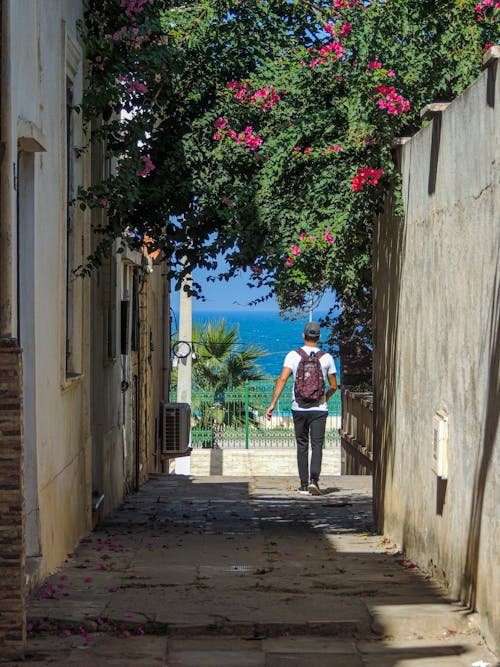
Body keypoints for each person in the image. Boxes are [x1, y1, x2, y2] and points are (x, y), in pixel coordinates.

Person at [265, 321, 337, 495]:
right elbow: (334, 386)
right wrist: (323, 398)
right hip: (319, 409)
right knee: (317, 445)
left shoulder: (293, 355)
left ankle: (304, 485)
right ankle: (314, 481)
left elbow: (282, 379)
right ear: (319, 337)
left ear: (303, 336)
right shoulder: (326, 357)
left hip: (298, 407)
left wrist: (273, 403)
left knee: (302, 445)